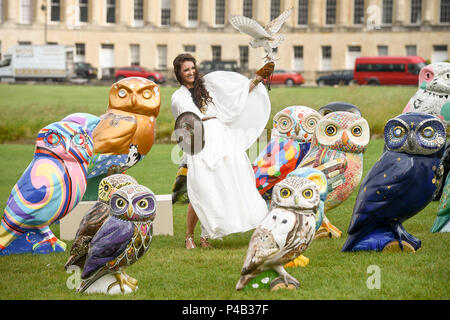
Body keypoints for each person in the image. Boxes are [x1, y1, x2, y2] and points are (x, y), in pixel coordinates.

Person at [171, 53, 273, 249]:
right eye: (186, 70)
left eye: (193, 68)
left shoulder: (207, 87)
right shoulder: (178, 97)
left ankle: (205, 237)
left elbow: (235, 97)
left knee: (223, 185)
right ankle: (189, 237)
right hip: (200, 142)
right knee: (200, 187)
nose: (191, 72)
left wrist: (258, 79)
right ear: (179, 73)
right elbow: (182, 127)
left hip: (222, 137)